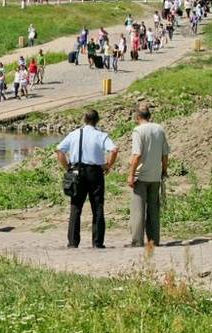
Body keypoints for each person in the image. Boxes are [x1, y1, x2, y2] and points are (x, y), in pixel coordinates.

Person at [56, 110, 119, 249]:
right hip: (95, 172)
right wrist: (108, 165)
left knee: (75, 206)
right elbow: (114, 150)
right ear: (97, 120)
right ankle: (97, 242)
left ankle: (73, 242)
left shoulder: (74, 134)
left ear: (84, 119)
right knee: (97, 206)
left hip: (77, 171)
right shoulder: (101, 135)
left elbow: (59, 150)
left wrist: (67, 168)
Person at [127, 106, 170, 247]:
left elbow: (137, 154)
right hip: (155, 175)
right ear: (149, 116)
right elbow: (165, 155)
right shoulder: (159, 129)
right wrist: (164, 170)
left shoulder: (138, 131)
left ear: (137, 117)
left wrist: (131, 174)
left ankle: (137, 241)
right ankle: (154, 240)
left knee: (138, 210)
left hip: (141, 176)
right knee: (154, 209)